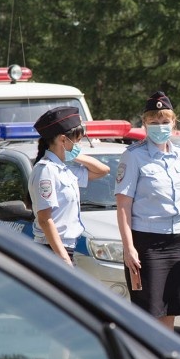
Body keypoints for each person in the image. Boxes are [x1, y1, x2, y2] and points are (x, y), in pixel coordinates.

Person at [115, 91, 180, 330]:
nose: (160, 126)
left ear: (174, 122)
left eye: (164, 121)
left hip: (178, 242)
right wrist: (129, 248)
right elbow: (123, 206)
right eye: (153, 122)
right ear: (144, 124)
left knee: (170, 312)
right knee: (148, 314)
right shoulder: (133, 156)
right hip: (148, 244)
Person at [29, 106, 109, 266]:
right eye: (77, 141)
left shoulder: (64, 168)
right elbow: (45, 220)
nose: (79, 145)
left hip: (65, 249)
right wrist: (63, 258)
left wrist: (76, 155)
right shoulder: (46, 170)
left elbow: (103, 171)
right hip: (52, 251)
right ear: (63, 139)